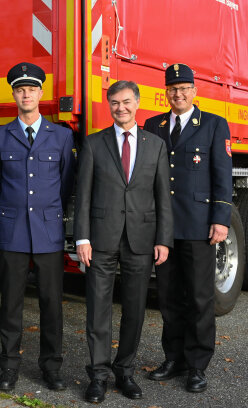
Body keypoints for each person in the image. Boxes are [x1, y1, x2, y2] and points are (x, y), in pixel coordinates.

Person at [74, 80, 173, 404]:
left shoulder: (155, 145)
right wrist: (82, 238)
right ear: (109, 105)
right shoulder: (93, 143)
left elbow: (162, 197)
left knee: (134, 310)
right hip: (101, 240)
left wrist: (163, 239)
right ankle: (98, 376)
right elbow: (83, 195)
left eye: (126, 102)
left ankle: (125, 372)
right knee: (97, 311)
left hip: (142, 240)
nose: (121, 108)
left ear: (138, 102)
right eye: (114, 102)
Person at [0, 62, 75, 392]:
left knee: (52, 304)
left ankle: (51, 366)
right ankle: (8, 367)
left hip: (48, 232)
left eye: (32, 89)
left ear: (41, 93)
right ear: (14, 94)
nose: (26, 94)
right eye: (20, 90)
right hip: (13, 232)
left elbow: (65, 184)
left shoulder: (62, 136)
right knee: (10, 304)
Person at [144, 63, 233, 393]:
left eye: (184, 89)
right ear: (165, 93)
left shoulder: (212, 125)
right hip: (164, 228)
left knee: (199, 297)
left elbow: (222, 177)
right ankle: (174, 358)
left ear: (194, 92)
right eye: (172, 89)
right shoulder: (154, 125)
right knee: (168, 296)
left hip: (198, 226)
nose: (178, 94)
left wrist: (221, 219)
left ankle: (197, 365)